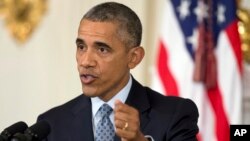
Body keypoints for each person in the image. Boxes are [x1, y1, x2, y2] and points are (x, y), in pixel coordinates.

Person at [38, 2, 199, 141]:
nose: (85, 62)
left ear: (134, 57)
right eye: (81, 47)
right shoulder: (51, 124)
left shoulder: (174, 115)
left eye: (102, 49)